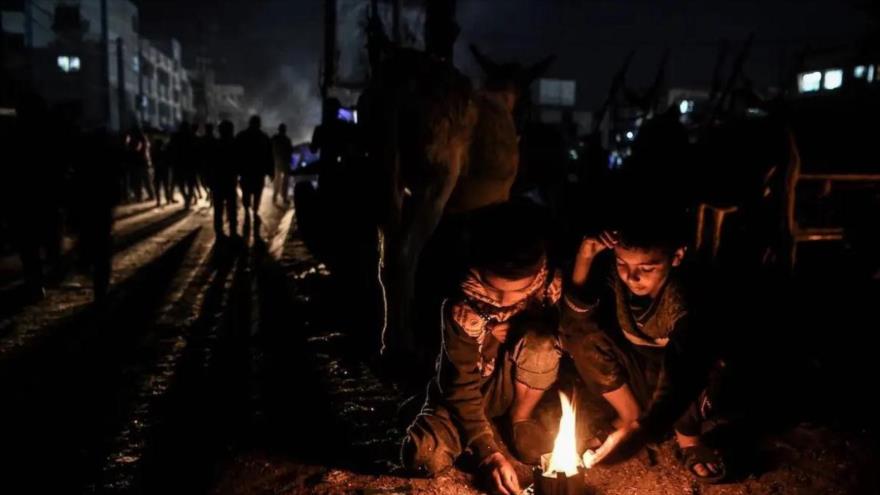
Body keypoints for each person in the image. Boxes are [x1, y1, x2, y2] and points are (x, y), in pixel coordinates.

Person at [401, 202, 562, 495]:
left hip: (513, 385)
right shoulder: (461, 307)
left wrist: (523, 328)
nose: (503, 300)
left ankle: (520, 419)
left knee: (541, 343)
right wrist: (488, 451)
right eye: (494, 288)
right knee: (423, 455)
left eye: (516, 291)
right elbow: (458, 384)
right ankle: (473, 431)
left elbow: (565, 340)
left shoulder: (547, 287)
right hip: (466, 391)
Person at [560, 210, 726, 483]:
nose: (632, 276)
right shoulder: (617, 277)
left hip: (685, 384)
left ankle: (689, 439)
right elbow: (575, 320)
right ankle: (628, 414)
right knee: (579, 334)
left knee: (692, 368)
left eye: (647, 268)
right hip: (641, 371)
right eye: (622, 264)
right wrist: (585, 256)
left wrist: (642, 432)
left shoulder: (684, 300)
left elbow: (682, 375)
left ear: (677, 257)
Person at [236, 115, 273, 241]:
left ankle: (248, 209)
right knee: (256, 192)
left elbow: (236, 154)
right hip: (257, 171)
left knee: (247, 191)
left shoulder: (242, 136)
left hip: (247, 171)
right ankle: (253, 209)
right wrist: (271, 171)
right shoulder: (264, 137)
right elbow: (270, 156)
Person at [207, 121, 240, 240]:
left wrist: (209, 182)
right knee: (231, 207)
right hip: (229, 181)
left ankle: (219, 231)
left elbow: (209, 164)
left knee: (218, 208)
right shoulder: (234, 144)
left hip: (218, 182)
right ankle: (232, 230)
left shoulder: (215, 145)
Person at [271, 123, 294, 204]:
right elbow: (290, 151)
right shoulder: (287, 140)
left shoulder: (274, 138)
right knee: (285, 181)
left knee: (277, 180)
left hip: (277, 162)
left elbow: (270, 149)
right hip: (284, 163)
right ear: (284, 130)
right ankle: (283, 197)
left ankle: (275, 196)